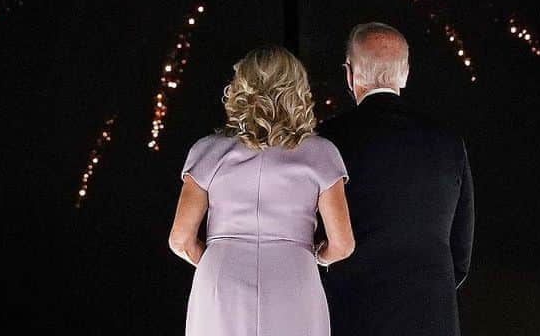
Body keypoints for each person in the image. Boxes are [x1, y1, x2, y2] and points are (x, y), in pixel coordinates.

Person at [168, 46, 355, 336]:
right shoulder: (321, 154)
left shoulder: (207, 151)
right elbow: (342, 245)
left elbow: (180, 239)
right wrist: (317, 256)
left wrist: (215, 257)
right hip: (294, 275)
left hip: (222, 274)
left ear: (240, 89)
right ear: (298, 91)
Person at [320, 22, 474, 336]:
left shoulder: (326, 140)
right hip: (433, 318)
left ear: (350, 74)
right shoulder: (448, 141)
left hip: (352, 316)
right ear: (404, 73)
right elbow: (460, 250)